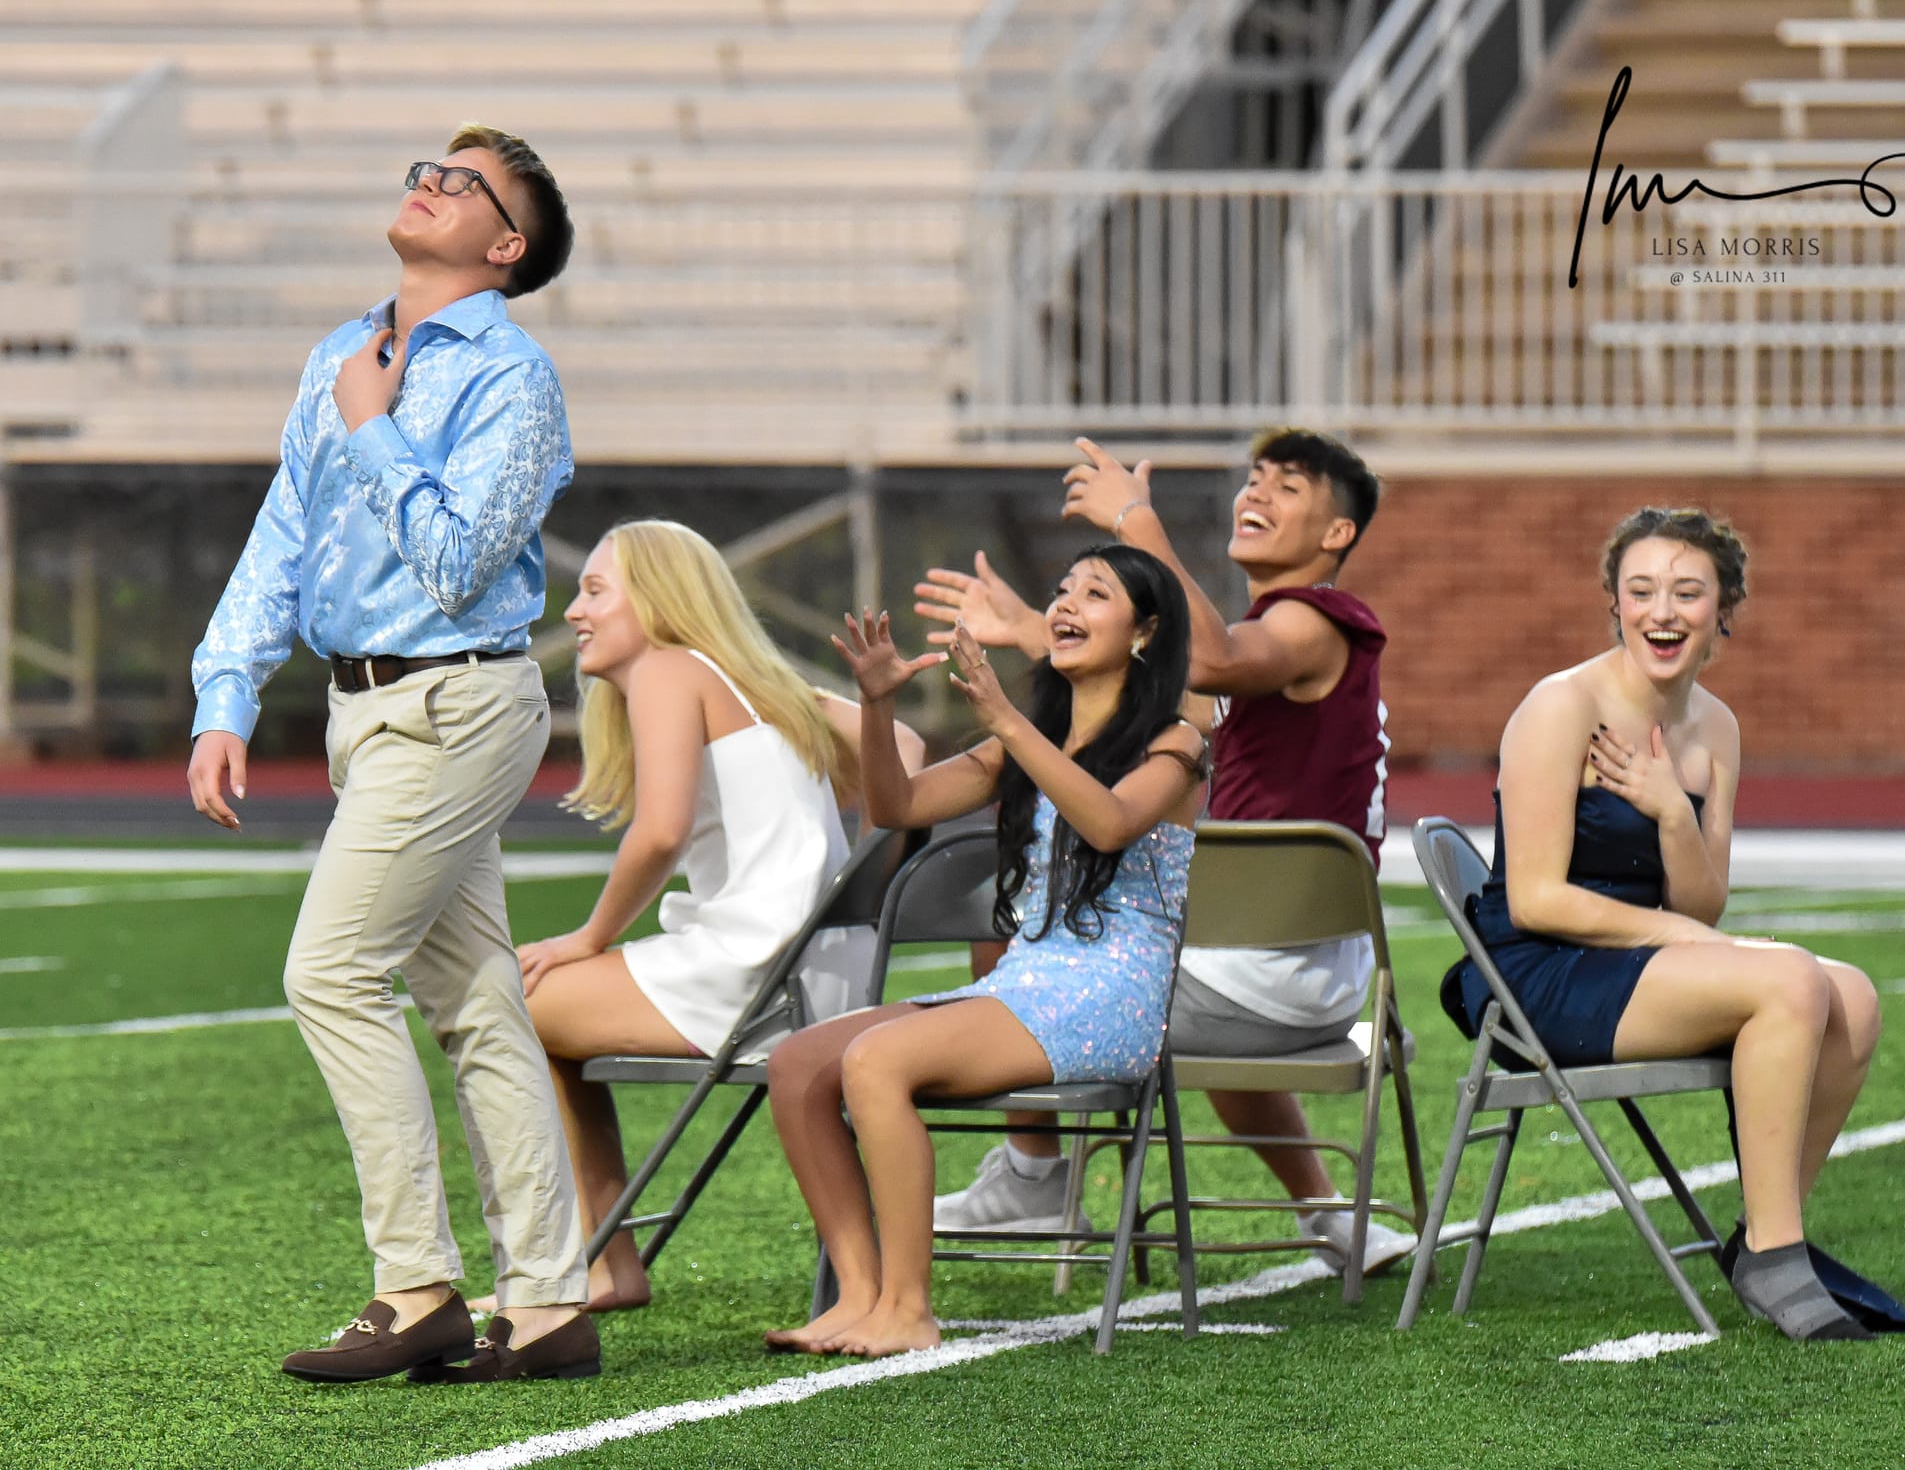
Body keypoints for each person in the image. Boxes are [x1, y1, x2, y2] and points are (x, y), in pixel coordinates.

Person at [187, 125, 600, 1383]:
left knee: (329, 972)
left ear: (506, 244)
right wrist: (225, 692)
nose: (428, 182)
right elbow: (283, 530)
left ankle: (417, 1283)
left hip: (458, 701)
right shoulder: (340, 351)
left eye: (463, 183)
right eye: (429, 165)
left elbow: (460, 561)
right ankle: (549, 1305)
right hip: (363, 711)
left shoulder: (514, 377)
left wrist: (372, 425)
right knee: (476, 1002)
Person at [912, 430, 1414, 1277]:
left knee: (1015, 931)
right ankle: (1328, 1212)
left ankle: (1034, 1178)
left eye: (1288, 486)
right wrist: (1039, 630)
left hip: (1268, 972)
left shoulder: (1306, 620)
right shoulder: (1275, 643)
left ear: (1337, 533)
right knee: (1156, 945)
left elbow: (1207, 662)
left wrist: (1136, 523)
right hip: (1292, 973)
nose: (1256, 493)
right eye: (1254, 478)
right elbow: (1157, 693)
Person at [1439, 505, 1880, 1342]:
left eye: (1686, 592)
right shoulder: (1561, 705)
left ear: (1724, 608)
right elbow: (1535, 900)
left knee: (1852, 997)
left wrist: (1674, 813)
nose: (1661, 612)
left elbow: (1702, 906)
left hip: (1638, 958)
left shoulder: (1718, 727)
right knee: (1791, 979)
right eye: (1640, 591)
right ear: (1615, 603)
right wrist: (1682, 937)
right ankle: (1779, 1259)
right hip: (1540, 972)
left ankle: (1764, 1238)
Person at [467, 518, 924, 1316]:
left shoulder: (669, 668)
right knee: (539, 1011)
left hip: (758, 970)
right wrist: (846, 876)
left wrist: (589, 939)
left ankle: (596, 1261)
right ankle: (605, 1260)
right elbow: (908, 747)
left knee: (506, 1000)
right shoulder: (757, 681)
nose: (574, 610)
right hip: (827, 969)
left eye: (596, 591)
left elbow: (659, 832)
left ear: (658, 601)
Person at [761, 544, 1207, 1358]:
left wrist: (1007, 721)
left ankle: (908, 1308)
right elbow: (899, 806)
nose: (1066, 603)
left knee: (875, 1062)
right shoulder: (1027, 739)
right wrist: (877, 707)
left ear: (1144, 632)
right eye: (1063, 588)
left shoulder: (1176, 742)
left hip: (1111, 993)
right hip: (1028, 980)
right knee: (797, 1065)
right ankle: (859, 1295)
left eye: (1096, 593)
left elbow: (1109, 823)